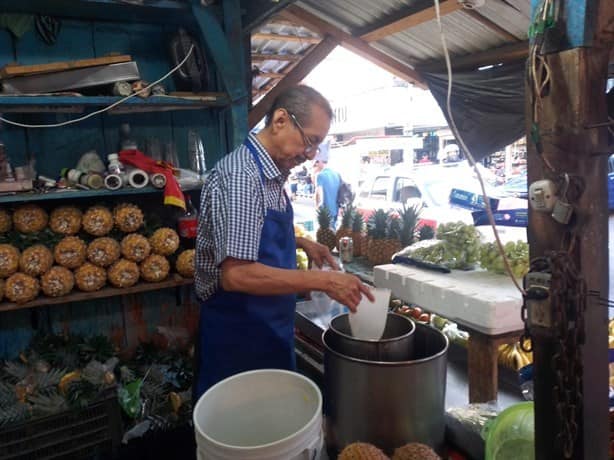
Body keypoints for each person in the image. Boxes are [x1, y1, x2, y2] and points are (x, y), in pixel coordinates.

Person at [194, 85, 373, 399]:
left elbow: (251, 229)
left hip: (269, 328)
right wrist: (326, 281)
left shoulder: (270, 173)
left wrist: (302, 243)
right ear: (279, 120)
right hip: (239, 336)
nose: (310, 154)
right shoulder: (242, 176)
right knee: (245, 438)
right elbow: (236, 275)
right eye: (310, 141)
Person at [313, 140, 342, 228]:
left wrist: (317, 207)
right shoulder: (336, 174)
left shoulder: (320, 175)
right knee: (333, 233)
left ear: (321, 160)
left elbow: (319, 194)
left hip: (325, 213)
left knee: (325, 237)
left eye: (317, 161)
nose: (316, 164)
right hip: (336, 210)